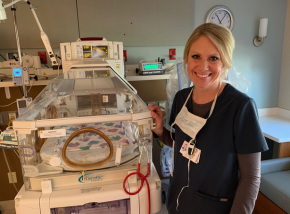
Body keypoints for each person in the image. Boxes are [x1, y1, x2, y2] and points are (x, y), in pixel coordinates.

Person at [149, 23, 268, 214]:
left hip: (214, 206)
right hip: (179, 202)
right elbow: (181, 144)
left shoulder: (240, 107)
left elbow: (251, 177)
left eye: (214, 58)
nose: (203, 66)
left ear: (225, 62)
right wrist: (160, 131)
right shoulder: (181, 98)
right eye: (196, 56)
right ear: (187, 58)